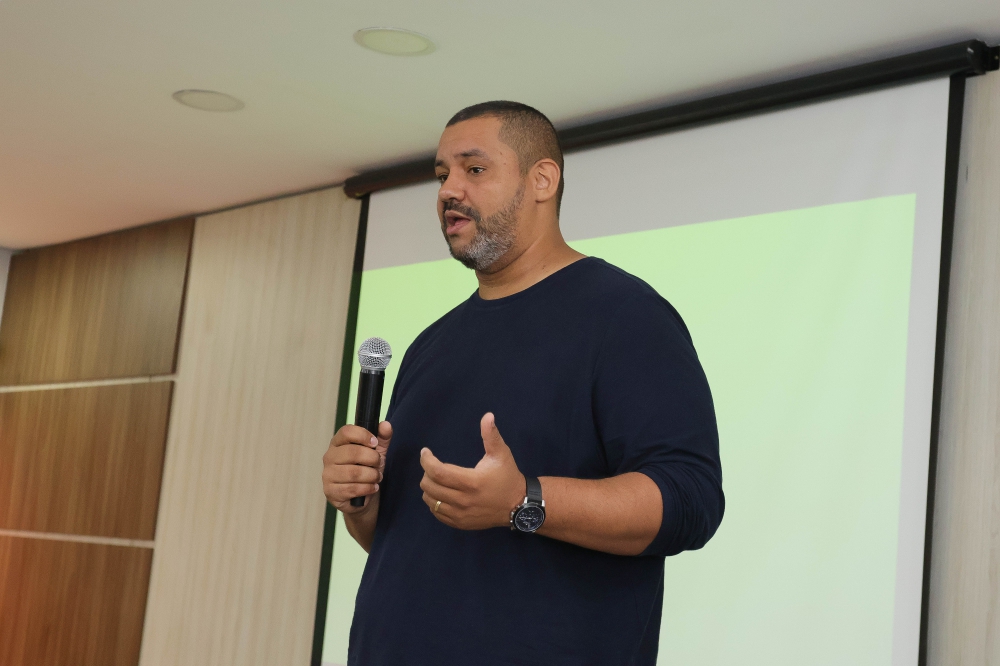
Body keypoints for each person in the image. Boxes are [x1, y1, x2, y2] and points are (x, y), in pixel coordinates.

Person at [322, 101, 724, 665]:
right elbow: (407, 545)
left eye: (474, 169)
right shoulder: (430, 346)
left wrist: (522, 500)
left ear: (542, 180)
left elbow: (691, 500)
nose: (449, 190)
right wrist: (361, 504)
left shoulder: (625, 315)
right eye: (442, 175)